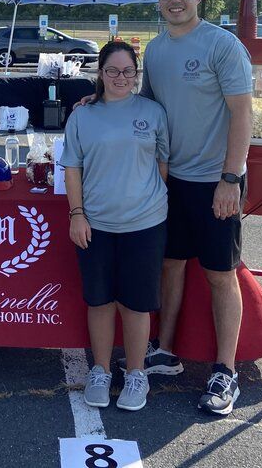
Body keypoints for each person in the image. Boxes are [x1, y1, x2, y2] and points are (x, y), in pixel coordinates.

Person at [136, 0, 253, 416]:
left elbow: (242, 114)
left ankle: (226, 371)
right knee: (171, 264)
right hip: (172, 181)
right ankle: (165, 350)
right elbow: (146, 103)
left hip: (215, 182)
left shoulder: (223, 46)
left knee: (222, 275)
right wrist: (101, 98)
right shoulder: (156, 49)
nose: (175, 1)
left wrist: (230, 178)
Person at [61, 41, 169, 413]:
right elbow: (72, 168)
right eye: (112, 71)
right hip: (95, 225)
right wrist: (77, 214)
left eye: (128, 72)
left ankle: (137, 373)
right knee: (100, 301)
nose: (120, 78)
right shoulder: (83, 116)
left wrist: (145, 200)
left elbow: (162, 165)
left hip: (145, 224)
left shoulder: (153, 113)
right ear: (100, 74)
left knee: (137, 304)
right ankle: (101, 370)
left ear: (136, 75)